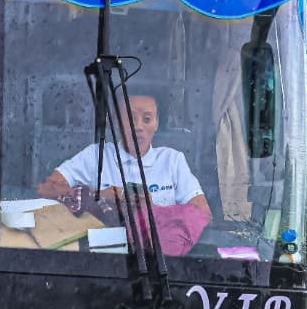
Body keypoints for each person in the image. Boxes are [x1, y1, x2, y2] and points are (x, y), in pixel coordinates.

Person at [36, 94, 210, 253]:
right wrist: (102, 196)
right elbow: (46, 189)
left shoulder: (172, 160)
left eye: (147, 119)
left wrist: (153, 211)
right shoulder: (96, 155)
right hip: (102, 258)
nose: (138, 126)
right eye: (131, 118)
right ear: (117, 122)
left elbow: (202, 212)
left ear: (156, 123)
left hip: (157, 262)